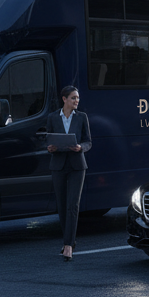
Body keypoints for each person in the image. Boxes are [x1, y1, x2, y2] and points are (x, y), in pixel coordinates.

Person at [47, 86, 92, 261]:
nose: (76, 101)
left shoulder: (82, 117)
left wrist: (81, 147)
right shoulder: (52, 117)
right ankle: (69, 241)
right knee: (62, 205)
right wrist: (50, 148)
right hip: (58, 164)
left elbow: (88, 141)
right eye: (73, 98)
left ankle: (67, 246)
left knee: (73, 205)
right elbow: (48, 139)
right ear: (64, 99)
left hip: (77, 165)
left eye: (78, 98)